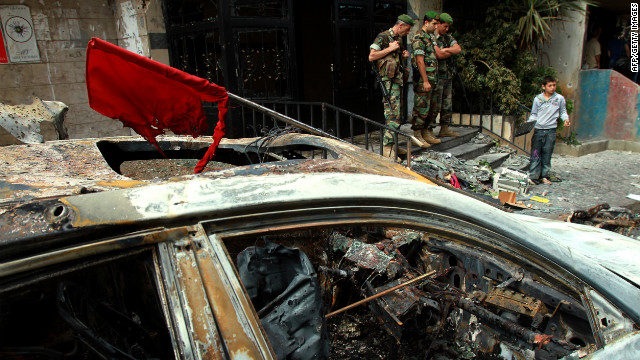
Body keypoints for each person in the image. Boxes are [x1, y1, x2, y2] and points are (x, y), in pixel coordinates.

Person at [369, 14, 415, 159]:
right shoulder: (382, 37)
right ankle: (387, 149)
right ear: (400, 25)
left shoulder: (398, 39)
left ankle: (393, 146)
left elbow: (396, 59)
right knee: (393, 117)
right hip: (389, 84)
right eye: (407, 30)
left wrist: (404, 57)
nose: (407, 33)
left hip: (397, 81)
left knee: (398, 116)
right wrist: (389, 49)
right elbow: (372, 56)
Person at [410, 11, 446, 148]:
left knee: (431, 107)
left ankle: (426, 131)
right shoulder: (419, 38)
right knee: (421, 108)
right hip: (424, 80)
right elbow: (420, 61)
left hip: (433, 79)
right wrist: (425, 80)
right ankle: (417, 134)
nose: (436, 26)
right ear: (426, 22)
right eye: (434, 24)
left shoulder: (430, 37)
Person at [527, 76, 570, 185]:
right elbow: (534, 114)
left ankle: (544, 176)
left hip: (551, 130)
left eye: (554, 85)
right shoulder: (538, 99)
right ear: (544, 86)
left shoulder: (559, 98)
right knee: (536, 154)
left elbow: (563, 112)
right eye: (550, 85)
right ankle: (533, 177)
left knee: (547, 154)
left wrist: (566, 119)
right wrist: (529, 123)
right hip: (539, 130)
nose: (552, 88)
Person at [426, 12, 462, 138]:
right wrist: (445, 52)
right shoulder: (431, 37)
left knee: (447, 104)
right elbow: (438, 55)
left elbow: (458, 49)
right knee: (435, 104)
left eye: (448, 27)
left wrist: (446, 50)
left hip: (447, 75)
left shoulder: (448, 37)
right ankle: (429, 129)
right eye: (445, 26)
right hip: (436, 76)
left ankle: (445, 128)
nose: (447, 29)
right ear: (438, 24)